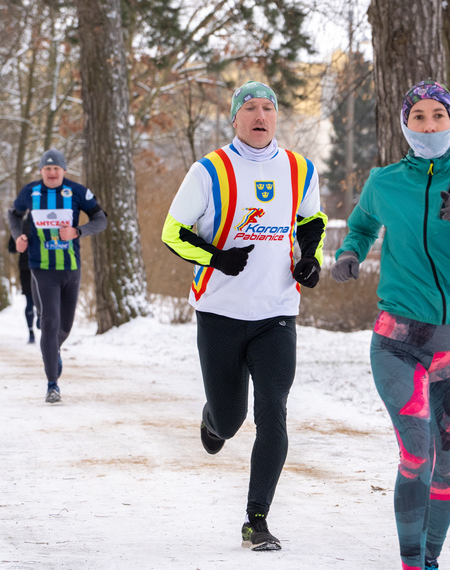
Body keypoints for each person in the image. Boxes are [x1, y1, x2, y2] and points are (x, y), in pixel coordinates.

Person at [331, 80, 450, 570]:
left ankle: (430, 558)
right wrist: (350, 251)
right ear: (405, 124)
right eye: (419, 117)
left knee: (448, 461)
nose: (429, 125)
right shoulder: (385, 181)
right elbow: (362, 224)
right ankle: (412, 563)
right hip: (398, 342)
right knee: (417, 453)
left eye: (438, 115)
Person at [161, 80, 327, 552]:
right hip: (220, 312)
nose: (259, 115)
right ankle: (213, 421)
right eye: (249, 107)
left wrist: (309, 259)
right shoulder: (209, 170)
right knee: (231, 419)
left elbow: (310, 221)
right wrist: (216, 257)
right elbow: (173, 233)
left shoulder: (299, 168)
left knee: (273, 410)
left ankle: (257, 520)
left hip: (277, 312)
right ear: (234, 118)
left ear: (277, 118)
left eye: (268, 108)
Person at [8, 149, 107, 403]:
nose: (52, 173)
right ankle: (52, 383)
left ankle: (53, 349)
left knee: (64, 326)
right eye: (47, 169)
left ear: (64, 170)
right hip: (41, 267)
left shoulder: (77, 191)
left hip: (70, 267)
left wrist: (78, 231)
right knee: (50, 322)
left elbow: (101, 219)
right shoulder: (30, 192)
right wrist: (18, 235)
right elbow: (13, 214)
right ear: (41, 171)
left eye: (56, 169)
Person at [7, 213, 38, 344]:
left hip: (39, 267)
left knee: (35, 300)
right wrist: (21, 243)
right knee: (32, 300)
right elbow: (11, 247)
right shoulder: (21, 227)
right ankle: (31, 330)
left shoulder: (47, 223)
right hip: (29, 267)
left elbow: (11, 248)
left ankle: (36, 325)